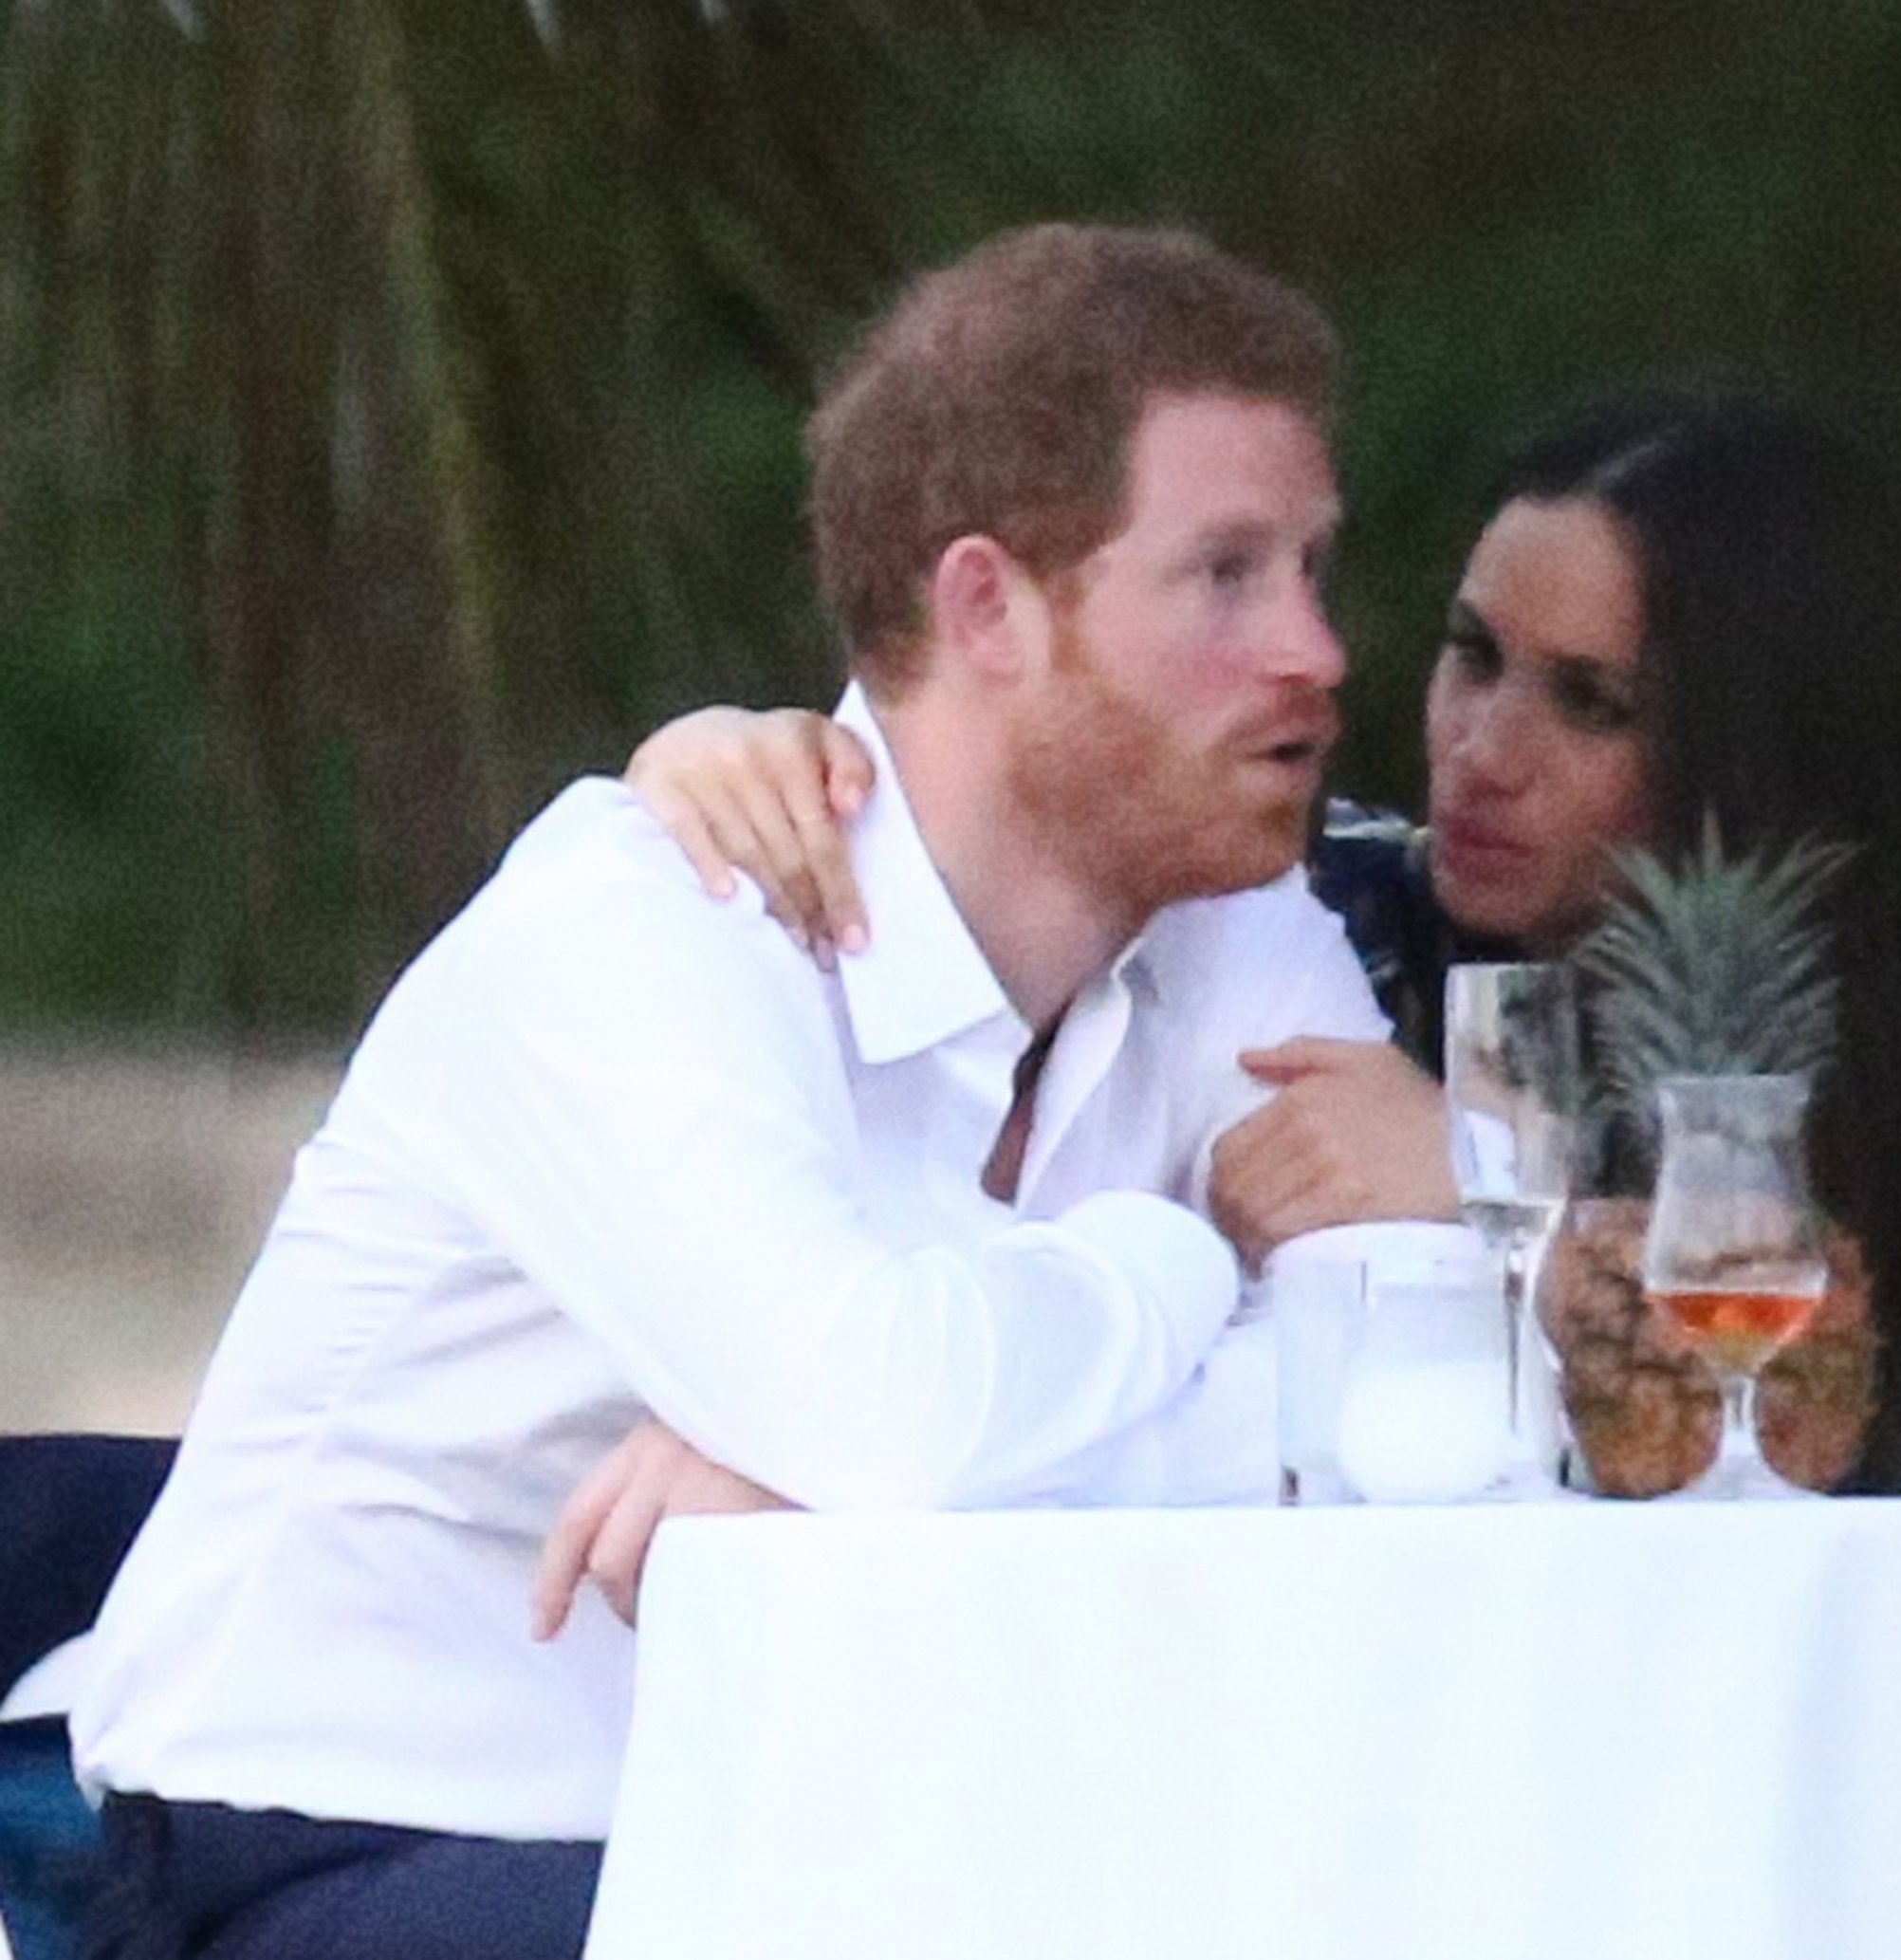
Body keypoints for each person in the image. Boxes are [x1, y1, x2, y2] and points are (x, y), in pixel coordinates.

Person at [69, 221, 1388, 1960]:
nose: (1317, 649)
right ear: (988, 604)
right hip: (354, 1839)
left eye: (1313, 567)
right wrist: (1190, 1257)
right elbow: (891, 1411)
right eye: (1225, 574)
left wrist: (883, 1462)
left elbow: (1398, 1400)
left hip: (812, 1831)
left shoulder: (1234, 923)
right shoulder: (653, 913)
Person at [615, 395, 1901, 1498]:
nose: (1485, 749)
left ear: (1752, 749)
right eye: (1473, 654)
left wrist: (1484, 1172)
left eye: (1591, 703)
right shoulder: (1313, 904)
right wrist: (729, 761)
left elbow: (1864, 1421)